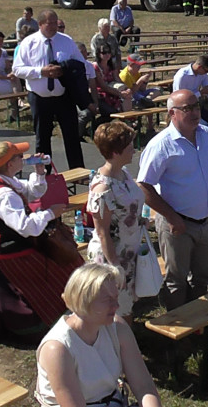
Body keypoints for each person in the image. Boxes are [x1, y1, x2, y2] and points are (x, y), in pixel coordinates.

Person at [0, 141, 82, 341]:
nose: (23, 158)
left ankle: (63, 310)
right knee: (56, 269)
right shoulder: (4, 194)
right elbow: (25, 227)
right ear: (10, 164)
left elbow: (32, 191)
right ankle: (41, 320)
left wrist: (40, 172)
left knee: (66, 264)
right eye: (18, 157)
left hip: (19, 242)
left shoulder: (8, 182)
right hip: (8, 249)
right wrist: (50, 213)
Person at [137, 90, 208, 310]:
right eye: (187, 109)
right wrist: (171, 216)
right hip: (177, 225)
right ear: (172, 113)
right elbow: (143, 185)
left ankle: (198, 322)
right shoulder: (161, 145)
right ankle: (177, 328)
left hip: (206, 221)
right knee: (176, 281)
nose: (195, 112)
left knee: (203, 277)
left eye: (196, 106)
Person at [35, 263, 162, 407]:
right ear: (84, 300)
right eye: (107, 300)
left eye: (116, 297)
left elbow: (144, 387)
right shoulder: (58, 348)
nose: (116, 306)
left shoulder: (117, 328)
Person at [12, 9, 90, 170]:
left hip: (63, 95)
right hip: (39, 97)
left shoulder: (66, 41)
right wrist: (41, 72)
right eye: (50, 23)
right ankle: (44, 175)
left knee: (71, 136)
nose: (54, 26)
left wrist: (64, 69)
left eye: (56, 22)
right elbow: (18, 69)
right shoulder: (28, 43)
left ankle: (78, 173)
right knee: (42, 138)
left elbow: (81, 64)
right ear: (40, 24)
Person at [86, 122, 145, 319]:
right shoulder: (102, 189)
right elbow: (102, 232)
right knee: (116, 309)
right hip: (112, 258)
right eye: (129, 146)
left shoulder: (124, 174)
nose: (133, 150)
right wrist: (115, 266)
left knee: (126, 306)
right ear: (116, 152)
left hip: (128, 252)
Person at [171, 55, 208, 128]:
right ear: (199, 67)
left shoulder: (203, 74)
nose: (207, 73)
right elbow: (180, 101)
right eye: (206, 71)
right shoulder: (182, 76)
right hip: (183, 110)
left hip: (196, 106)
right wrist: (201, 93)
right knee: (203, 126)